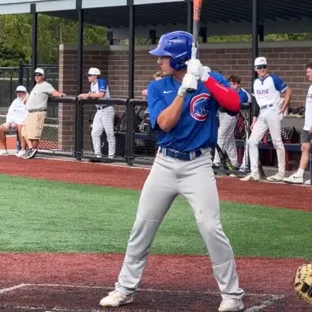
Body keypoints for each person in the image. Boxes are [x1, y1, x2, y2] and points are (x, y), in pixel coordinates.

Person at [98, 31, 245, 312]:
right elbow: (164, 124)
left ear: (179, 58)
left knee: (211, 228)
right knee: (142, 226)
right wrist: (183, 91)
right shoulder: (158, 88)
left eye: (164, 56)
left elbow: (234, 105)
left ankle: (232, 296)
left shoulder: (209, 79)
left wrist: (206, 79)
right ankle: (124, 289)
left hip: (199, 165)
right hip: (164, 164)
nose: (158, 61)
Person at [241, 57, 292, 182]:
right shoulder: (256, 82)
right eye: (259, 67)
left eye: (264, 67)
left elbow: (288, 91)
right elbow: (256, 103)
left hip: (273, 109)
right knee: (252, 141)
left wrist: (284, 106)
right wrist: (254, 119)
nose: (262, 69)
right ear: (255, 69)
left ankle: (281, 172)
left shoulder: (273, 78)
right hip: (262, 112)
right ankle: (254, 172)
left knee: (277, 141)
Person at [21, 68, 66, 159]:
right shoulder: (36, 85)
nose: (37, 76)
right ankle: (31, 148)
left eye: (39, 75)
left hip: (38, 113)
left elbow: (54, 92)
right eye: (35, 75)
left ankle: (33, 150)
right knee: (24, 130)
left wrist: (60, 94)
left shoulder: (46, 85)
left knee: (34, 135)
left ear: (43, 76)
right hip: (30, 113)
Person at [284, 62, 312, 184]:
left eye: (309, 72)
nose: (307, 75)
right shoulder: (311, 87)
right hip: (307, 124)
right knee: (304, 147)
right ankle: (300, 174)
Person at [213, 75, 251, 171]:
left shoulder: (242, 94)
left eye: (233, 84)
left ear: (238, 84)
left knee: (221, 137)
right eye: (230, 84)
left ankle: (216, 162)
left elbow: (230, 105)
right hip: (224, 116)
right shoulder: (229, 91)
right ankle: (234, 162)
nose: (231, 86)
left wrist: (223, 103)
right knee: (229, 141)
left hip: (235, 117)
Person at [78, 68, 115, 159]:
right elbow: (91, 94)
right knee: (94, 133)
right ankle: (98, 155)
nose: (88, 77)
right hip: (99, 110)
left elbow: (101, 95)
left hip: (107, 109)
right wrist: (84, 95)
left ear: (95, 76)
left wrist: (87, 95)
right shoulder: (92, 84)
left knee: (109, 133)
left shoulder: (101, 81)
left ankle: (111, 155)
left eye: (90, 75)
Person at [0, 85, 29, 157]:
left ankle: (23, 150)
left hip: (21, 124)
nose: (19, 94)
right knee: (0, 129)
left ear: (25, 93)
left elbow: (27, 115)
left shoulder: (28, 102)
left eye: (21, 92)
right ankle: (4, 150)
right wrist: (9, 122)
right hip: (12, 123)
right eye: (18, 92)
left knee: (20, 127)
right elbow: (9, 113)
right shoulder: (15, 101)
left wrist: (18, 123)